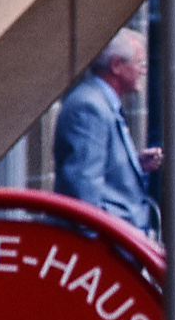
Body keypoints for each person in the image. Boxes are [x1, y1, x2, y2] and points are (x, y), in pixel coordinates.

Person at [53, 29, 161, 234]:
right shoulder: (90, 107)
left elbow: (97, 169)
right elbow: (83, 191)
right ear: (116, 65)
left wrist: (135, 165)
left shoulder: (100, 102)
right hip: (106, 248)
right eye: (140, 64)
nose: (143, 71)